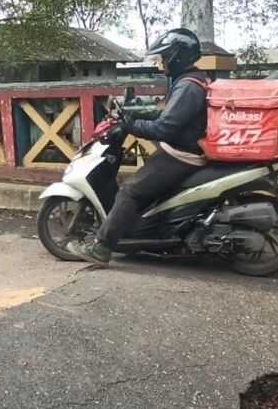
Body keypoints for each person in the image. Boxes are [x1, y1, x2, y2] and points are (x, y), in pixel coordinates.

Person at [69, 28, 210, 265]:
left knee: (130, 190)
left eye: (164, 58)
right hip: (183, 149)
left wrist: (131, 125)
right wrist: (137, 111)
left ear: (176, 57)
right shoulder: (192, 80)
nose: (161, 64)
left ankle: (102, 248)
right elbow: (168, 114)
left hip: (182, 154)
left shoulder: (188, 87)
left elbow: (164, 128)